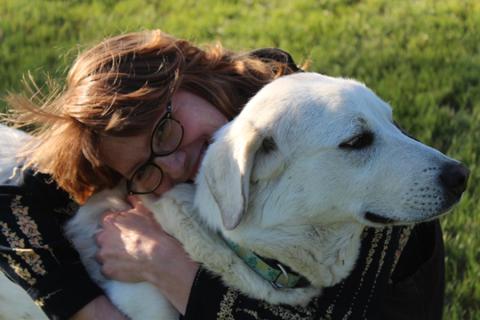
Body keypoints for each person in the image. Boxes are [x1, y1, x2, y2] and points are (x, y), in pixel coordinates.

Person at [0, 30, 445, 320]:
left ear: (191, 76)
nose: (176, 163)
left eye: (166, 129)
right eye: (144, 168)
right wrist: (90, 310)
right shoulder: (193, 177)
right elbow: (14, 197)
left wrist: (162, 262)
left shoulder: (318, 117)